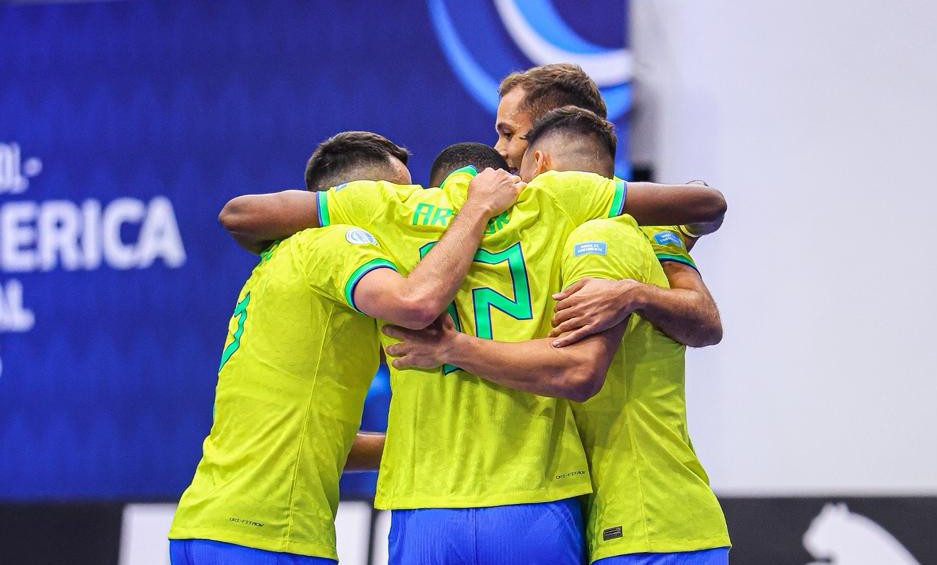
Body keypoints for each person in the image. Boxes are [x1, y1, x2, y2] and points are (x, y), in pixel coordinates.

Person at [219, 124, 725, 563]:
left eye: (511, 133)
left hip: (425, 505)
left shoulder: (385, 206)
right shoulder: (558, 199)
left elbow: (243, 214)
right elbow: (701, 205)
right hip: (538, 497)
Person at [386, 111, 731, 564]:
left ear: (542, 164)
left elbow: (589, 367)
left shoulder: (605, 238)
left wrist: (634, 293)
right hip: (603, 519)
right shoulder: (583, 240)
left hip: (649, 522)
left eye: (511, 138)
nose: (504, 159)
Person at [168, 131, 523, 565]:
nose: (411, 215)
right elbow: (416, 303)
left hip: (205, 525)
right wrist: (476, 208)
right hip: (269, 536)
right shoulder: (336, 246)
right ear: (362, 197)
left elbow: (318, 438)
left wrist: (425, 441)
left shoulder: (280, 259)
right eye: (403, 199)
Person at [494, 64, 723, 350]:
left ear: (555, 129)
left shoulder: (635, 217)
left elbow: (706, 324)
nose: (498, 150)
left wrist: (633, 294)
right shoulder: (506, 211)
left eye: (509, 134)